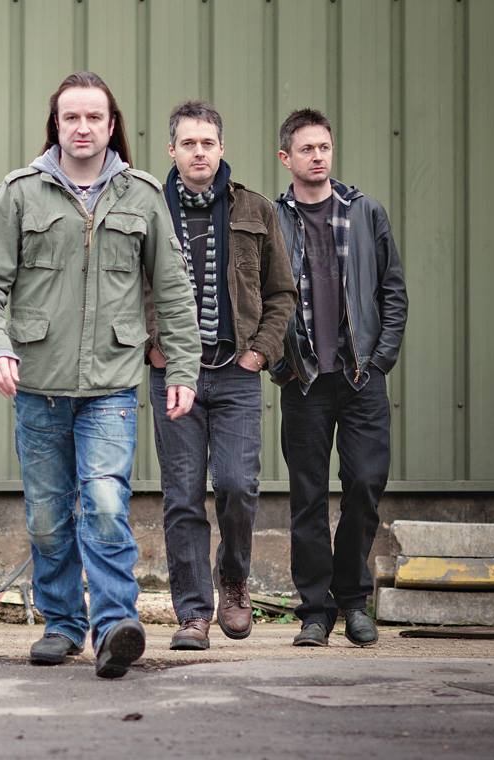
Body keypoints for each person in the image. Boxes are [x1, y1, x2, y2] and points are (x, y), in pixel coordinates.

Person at [0, 72, 201, 678]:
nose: (83, 127)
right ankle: (63, 624)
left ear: (111, 125)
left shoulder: (142, 195)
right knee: (47, 516)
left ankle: (115, 624)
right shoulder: (21, 193)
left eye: (94, 116)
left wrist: (183, 367)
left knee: (103, 501)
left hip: (110, 386)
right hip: (38, 385)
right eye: (71, 116)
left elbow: (173, 291)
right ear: (56, 124)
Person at [145, 101, 296, 651]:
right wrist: (150, 346)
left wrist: (260, 353)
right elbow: (124, 288)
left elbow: (281, 292)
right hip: (173, 375)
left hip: (235, 372)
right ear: (172, 150)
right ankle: (192, 614)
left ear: (221, 148)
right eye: (188, 143)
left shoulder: (255, 210)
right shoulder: (149, 210)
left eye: (207, 143)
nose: (199, 152)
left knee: (236, 485)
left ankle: (232, 580)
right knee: (183, 496)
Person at [271, 108, 408, 647]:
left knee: (365, 484)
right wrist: (279, 364)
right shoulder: (273, 219)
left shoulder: (365, 211)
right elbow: (258, 296)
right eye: (306, 149)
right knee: (307, 497)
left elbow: (392, 291)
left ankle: (353, 601)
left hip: (359, 376)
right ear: (286, 158)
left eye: (324, 147)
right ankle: (315, 611)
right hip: (303, 378)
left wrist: (380, 360)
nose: (318, 157)